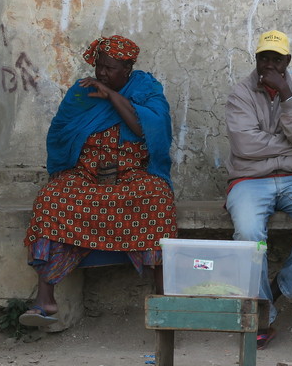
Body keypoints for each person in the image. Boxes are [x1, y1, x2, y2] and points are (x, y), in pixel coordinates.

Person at [20, 35, 176, 326]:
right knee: (50, 199)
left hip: (131, 176)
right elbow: (61, 133)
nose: (101, 73)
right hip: (85, 176)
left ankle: (163, 299)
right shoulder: (82, 92)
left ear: (128, 69)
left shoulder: (147, 89)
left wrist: (112, 96)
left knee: (158, 198)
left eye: (110, 68)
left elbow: (149, 129)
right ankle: (44, 299)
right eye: (99, 66)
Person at [225, 29, 292, 349]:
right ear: (256, 59)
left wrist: (286, 97)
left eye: (276, 59)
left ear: (287, 61)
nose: (268, 65)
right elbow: (245, 146)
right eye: (263, 58)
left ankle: (279, 288)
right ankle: (261, 314)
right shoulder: (240, 93)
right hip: (249, 178)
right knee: (247, 233)